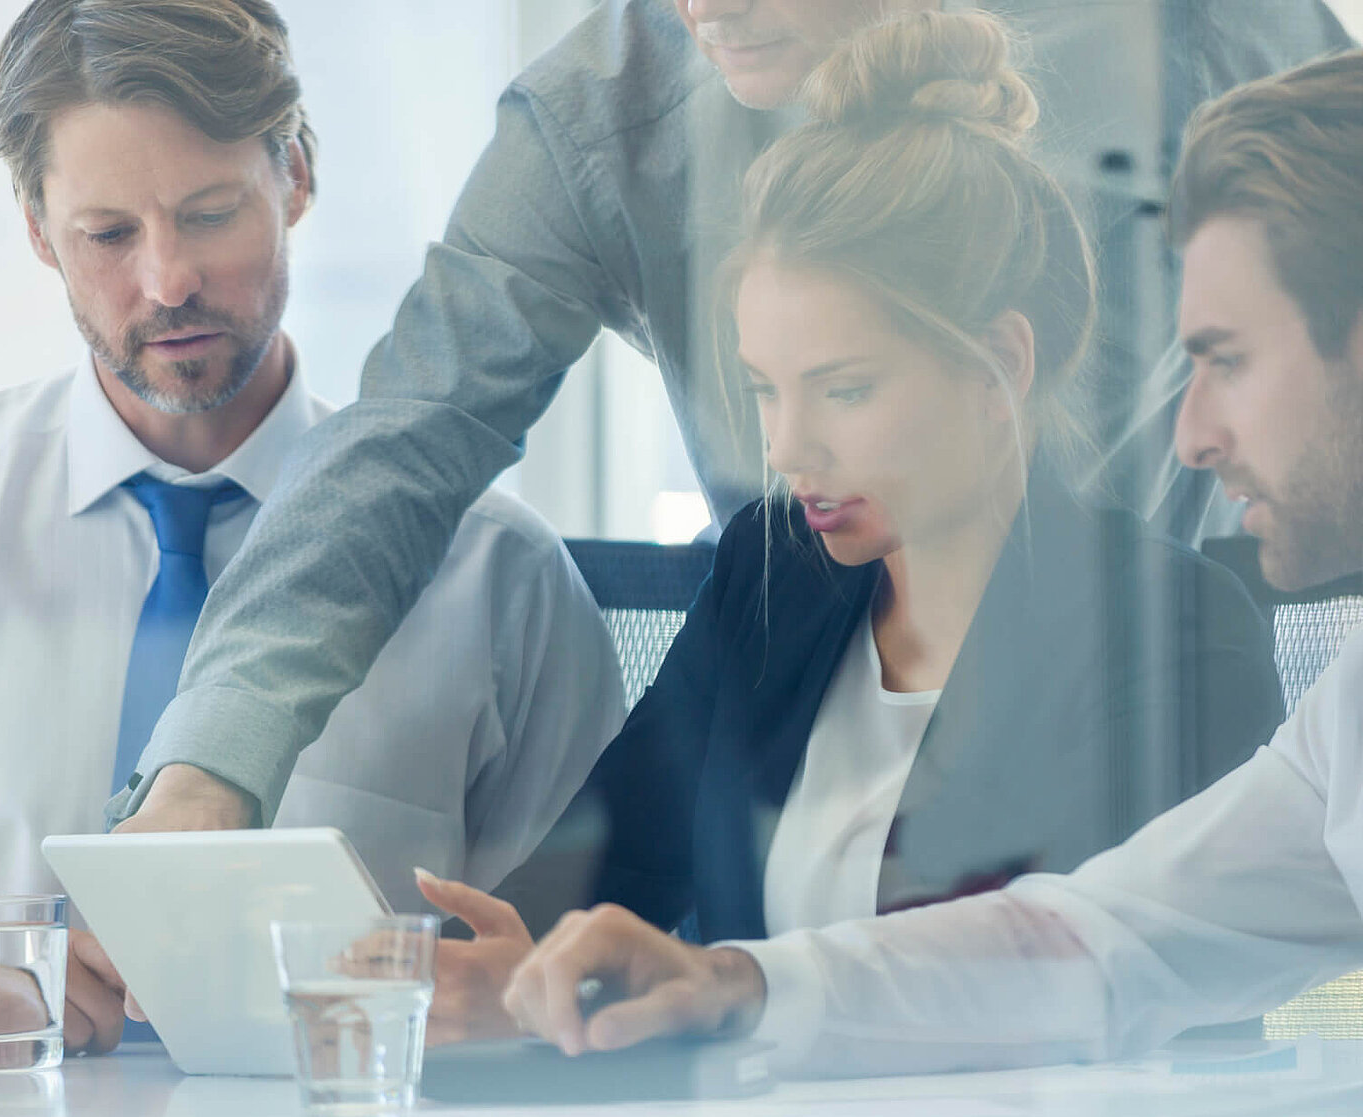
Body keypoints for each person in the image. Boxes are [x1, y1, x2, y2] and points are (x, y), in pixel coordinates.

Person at [0, 0, 625, 1057]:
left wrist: (524, 1008)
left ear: (297, 180)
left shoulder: (493, 574)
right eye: (108, 234)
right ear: (38, 228)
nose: (166, 280)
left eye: (211, 213)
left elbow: (625, 962)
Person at [109, 0, 1349, 842]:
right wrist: (211, 768)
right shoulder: (606, 117)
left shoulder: (1196, 31)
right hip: (817, 717)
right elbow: (404, 442)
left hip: (1163, 697)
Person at [415, 8, 1283, 1045]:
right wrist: (494, 960)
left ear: (999, 364)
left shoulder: (1179, 633)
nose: (786, 450)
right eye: (765, 391)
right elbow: (605, 874)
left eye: (844, 389)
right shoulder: (772, 574)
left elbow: (1093, 989)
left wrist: (727, 996)